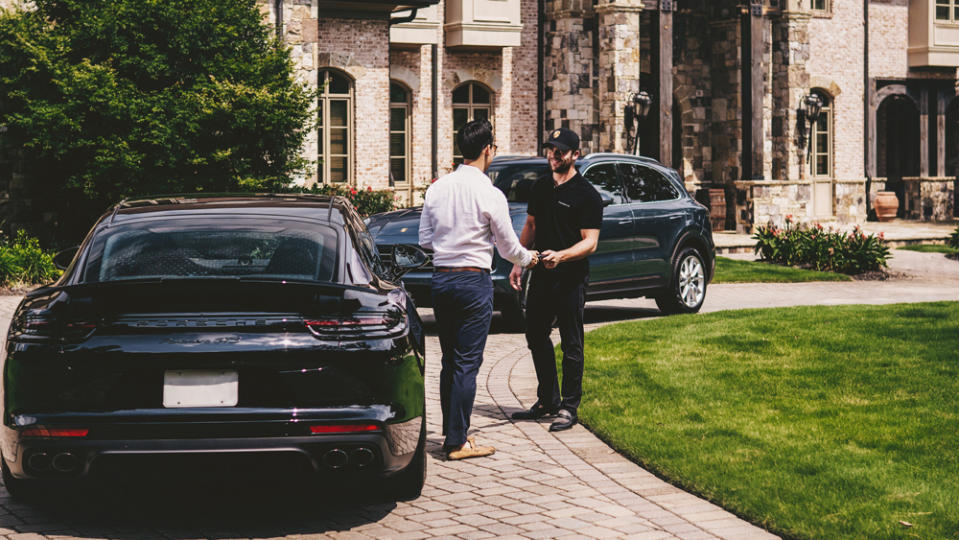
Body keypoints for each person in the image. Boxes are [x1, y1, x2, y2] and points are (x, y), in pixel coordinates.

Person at [419, 119, 540, 459]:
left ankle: (450, 430)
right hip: (473, 281)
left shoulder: (437, 189)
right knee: (467, 362)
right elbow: (507, 247)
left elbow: (425, 240)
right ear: (488, 149)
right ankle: (458, 441)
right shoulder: (490, 193)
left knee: (449, 359)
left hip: (442, 280)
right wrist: (528, 259)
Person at [509, 127, 602, 432]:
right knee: (535, 334)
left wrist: (561, 256)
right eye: (551, 149)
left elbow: (590, 242)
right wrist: (519, 262)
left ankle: (569, 406)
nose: (554, 155)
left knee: (571, 342)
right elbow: (531, 226)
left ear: (575, 155)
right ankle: (548, 399)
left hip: (571, 277)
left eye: (560, 150)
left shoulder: (586, 195)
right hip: (541, 277)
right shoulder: (540, 188)